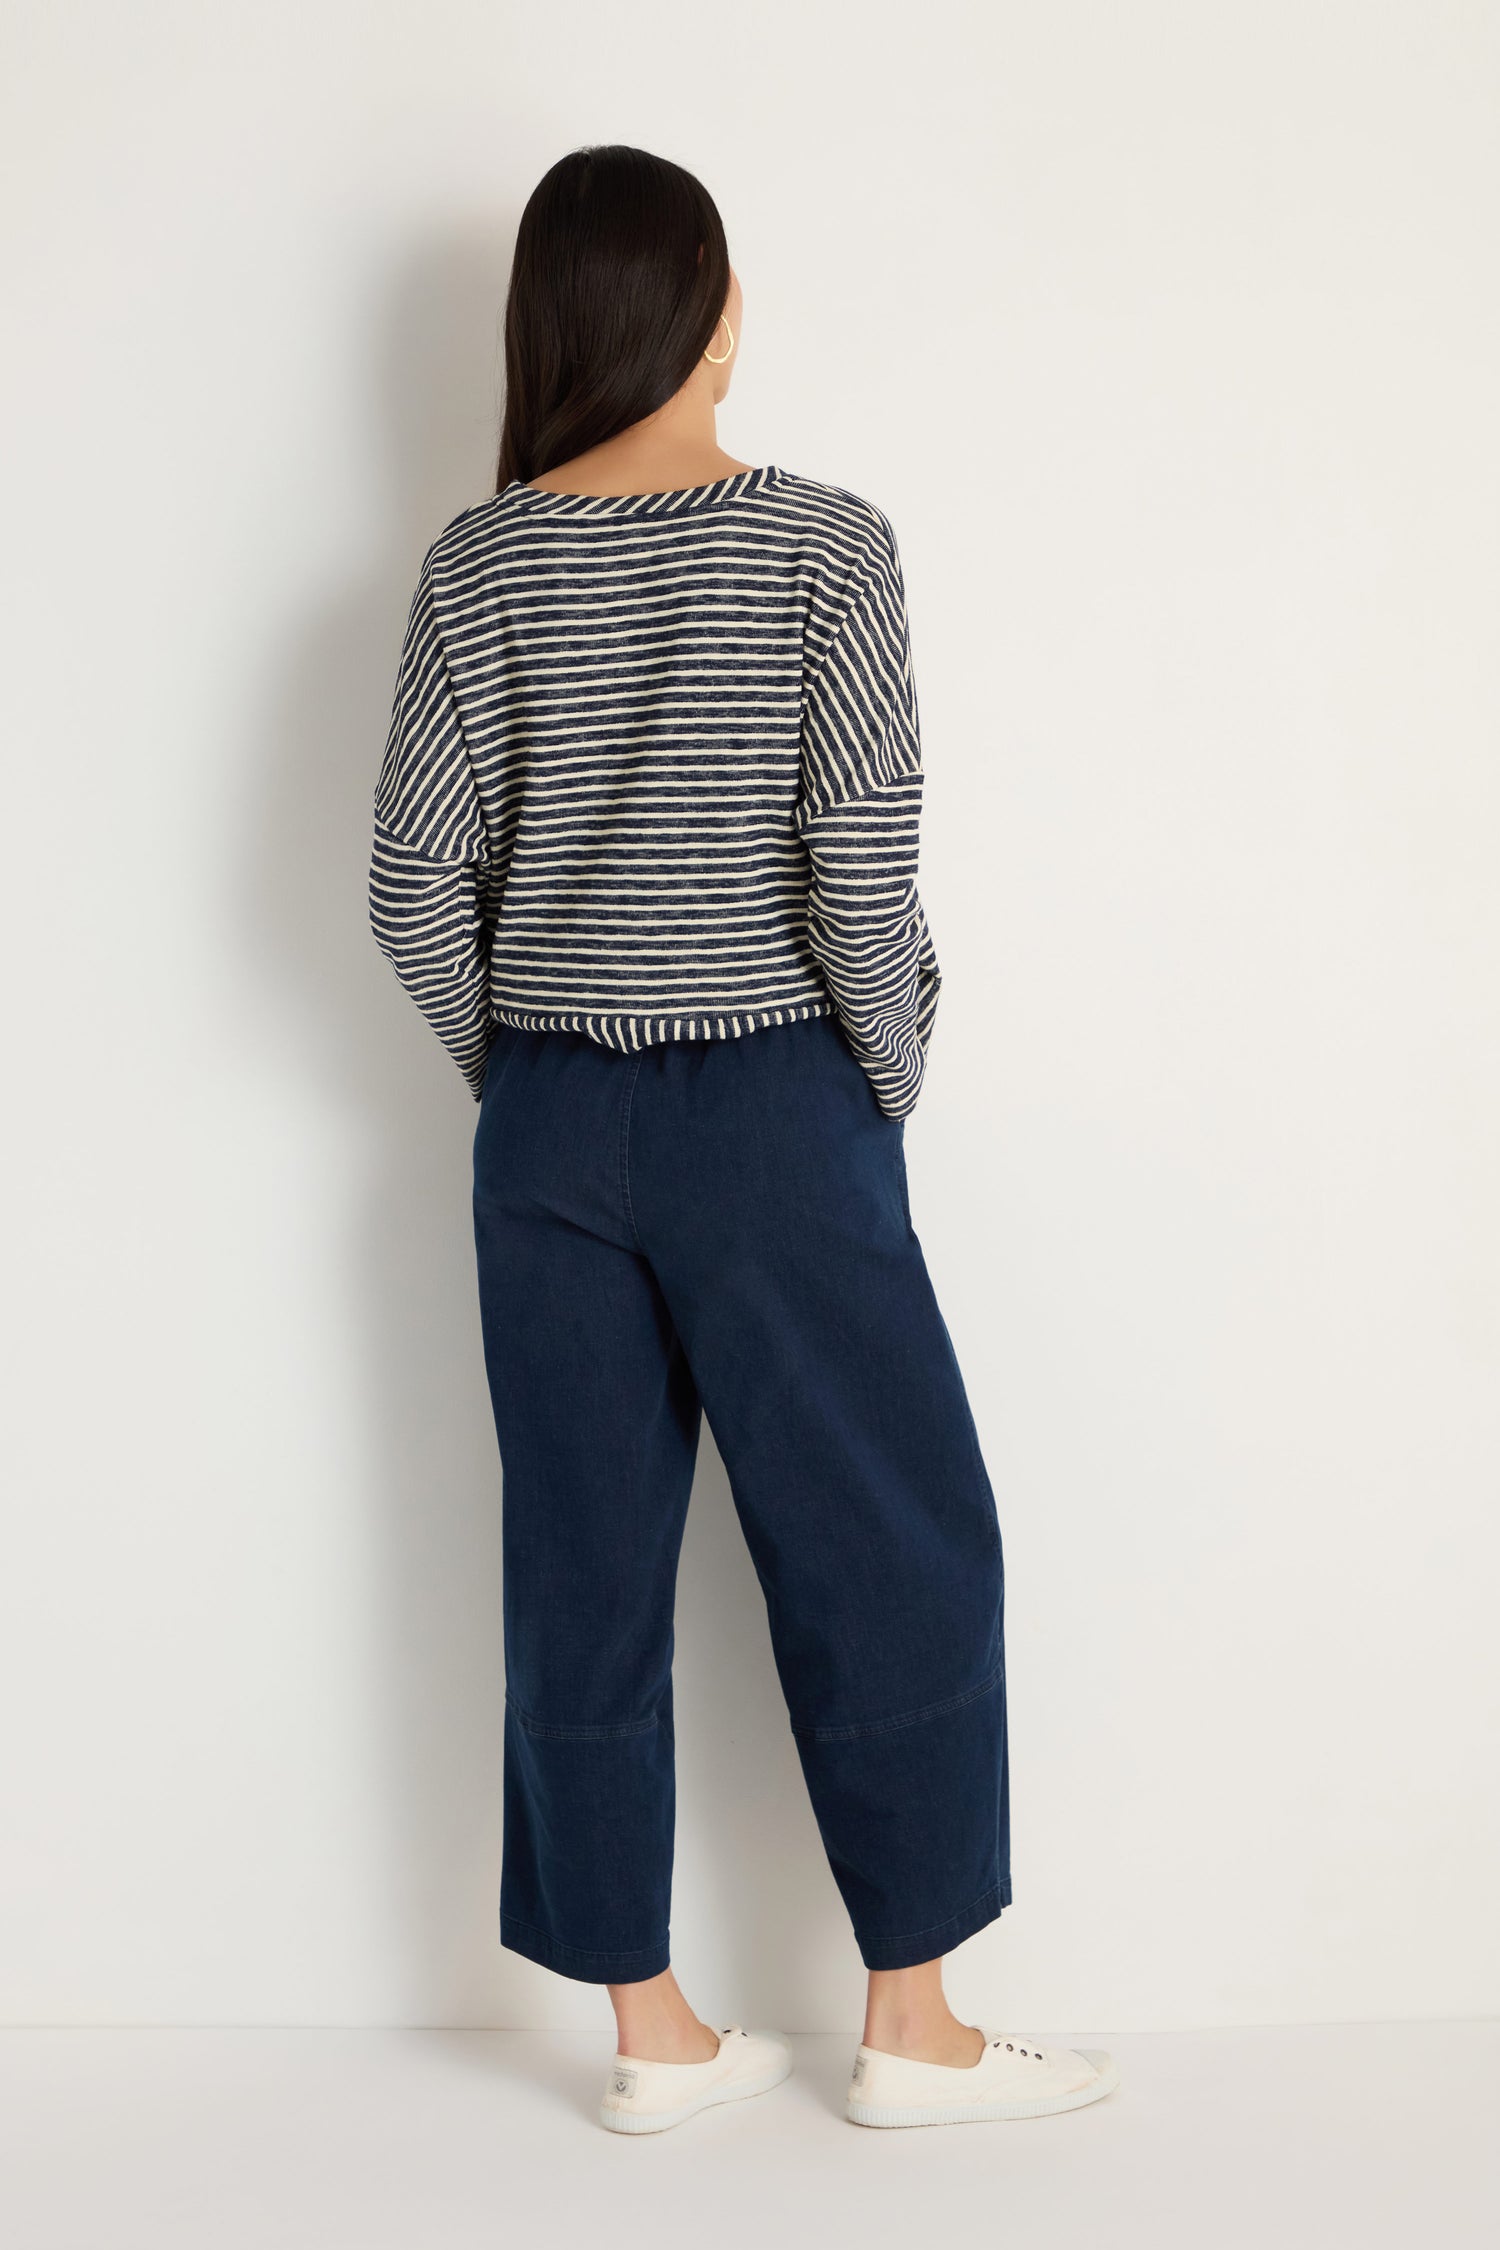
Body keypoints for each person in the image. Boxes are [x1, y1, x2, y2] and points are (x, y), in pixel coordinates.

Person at [368, 142, 1118, 2136]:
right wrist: (887, 1070)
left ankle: (653, 2036)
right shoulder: (821, 546)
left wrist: (524, 1075)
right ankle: (913, 2030)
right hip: (774, 1100)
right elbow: (859, 863)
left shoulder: (476, 562)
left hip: (549, 1126)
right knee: (895, 1540)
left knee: (583, 1563)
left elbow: (412, 884)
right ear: (706, 314)